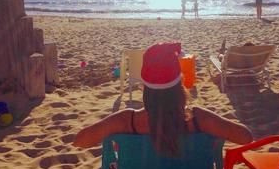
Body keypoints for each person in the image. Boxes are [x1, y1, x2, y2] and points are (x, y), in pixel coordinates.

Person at [73, 42, 253, 156]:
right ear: (179, 87)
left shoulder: (127, 120)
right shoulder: (198, 118)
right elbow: (246, 137)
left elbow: (80, 141)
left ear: (145, 88)